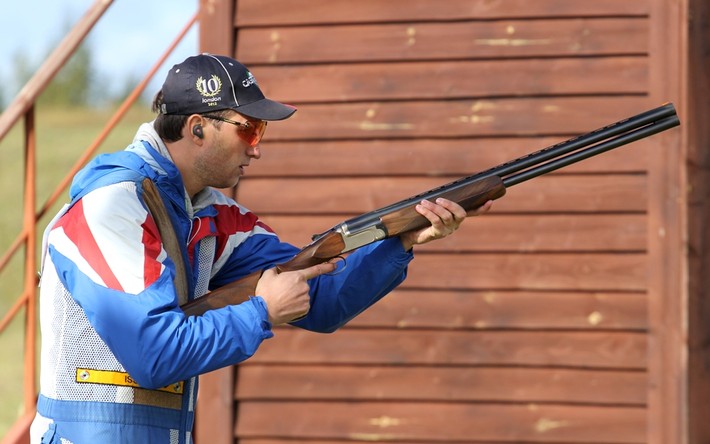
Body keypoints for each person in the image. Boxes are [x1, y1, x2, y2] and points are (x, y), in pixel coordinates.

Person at [30, 53, 492, 443]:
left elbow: (321, 300)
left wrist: (401, 240)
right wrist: (261, 312)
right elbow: (153, 354)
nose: (257, 149)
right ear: (197, 128)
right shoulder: (111, 207)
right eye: (249, 130)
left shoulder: (214, 216)